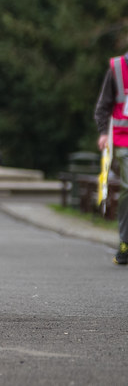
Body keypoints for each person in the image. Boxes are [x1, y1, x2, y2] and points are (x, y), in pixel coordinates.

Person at [93, 53, 128, 265]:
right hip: (125, 141)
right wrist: (103, 132)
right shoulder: (117, 68)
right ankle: (125, 241)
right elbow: (103, 105)